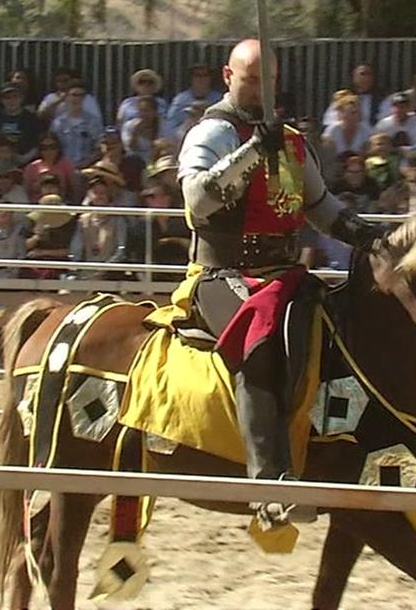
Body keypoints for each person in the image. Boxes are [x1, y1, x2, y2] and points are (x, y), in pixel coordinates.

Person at [175, 39, 384, 527]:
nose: (260, 90)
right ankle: (269, 482)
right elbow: (197, 202)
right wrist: (252, 151)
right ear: (228, 77)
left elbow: (321, 206)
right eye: (250, 80)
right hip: (221, 276)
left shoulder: (292, 141)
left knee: (348, 332)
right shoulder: (211, 132)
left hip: (284, 275)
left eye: (267, 81)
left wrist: (366, 235)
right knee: (260, 338)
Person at [50, 81, 101, 168]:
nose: (77, 98)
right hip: (62, 168)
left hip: (87, 168)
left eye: (80, 95)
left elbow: (100, 148)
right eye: (74, 95)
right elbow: (51, 148)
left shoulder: (93, 121)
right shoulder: (58, 123)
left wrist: (85, 163)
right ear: (67, 97)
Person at [0, 81, 44, 162]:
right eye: (7, 97)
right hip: (1, 161)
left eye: (15, 97)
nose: (11, 100)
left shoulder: (32, 118)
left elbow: (40, 142)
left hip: (26, 161)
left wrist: (25, 157)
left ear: (22, 98)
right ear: (1, 100)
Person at [165, 64, 222, 137]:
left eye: (205, 75)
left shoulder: (218, 98)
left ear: (210, 78)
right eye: (197, 75)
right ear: (191, 78)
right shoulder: (180, 99)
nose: (201, 78)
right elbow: (170, 125)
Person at [321, 61, 381, 128]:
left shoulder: (382, 99)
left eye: (370, 74)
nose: (367, 78)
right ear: (353, 77)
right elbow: (329, 121)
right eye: (363, 74)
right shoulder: (342, 97)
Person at [322, 91, 372, 156]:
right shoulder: (332, 130)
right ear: (341, 113)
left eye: (356, 112)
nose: (355, 116)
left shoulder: (366, 130)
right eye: (351, 113)